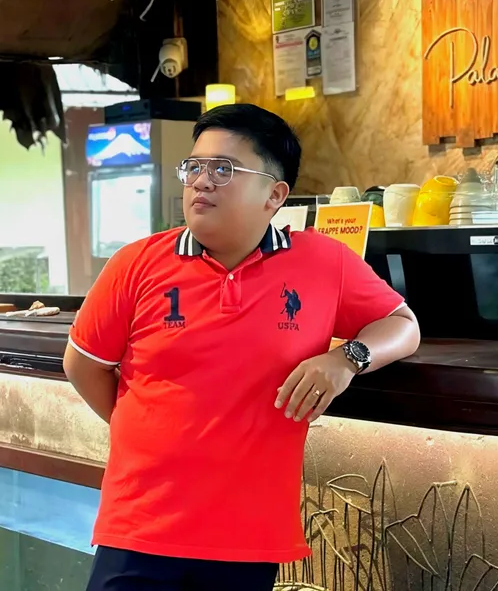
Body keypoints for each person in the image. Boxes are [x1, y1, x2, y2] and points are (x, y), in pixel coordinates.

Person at [63, 104, 420, 591]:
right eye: (194, 167)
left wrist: (347, 358)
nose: (201, 181)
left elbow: (403, 324)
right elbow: (82, 365)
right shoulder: (136, 264)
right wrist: (151, 431)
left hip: (248, 536)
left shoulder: (324, 262)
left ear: (274, 194)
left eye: (223, 169)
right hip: (139, 527)